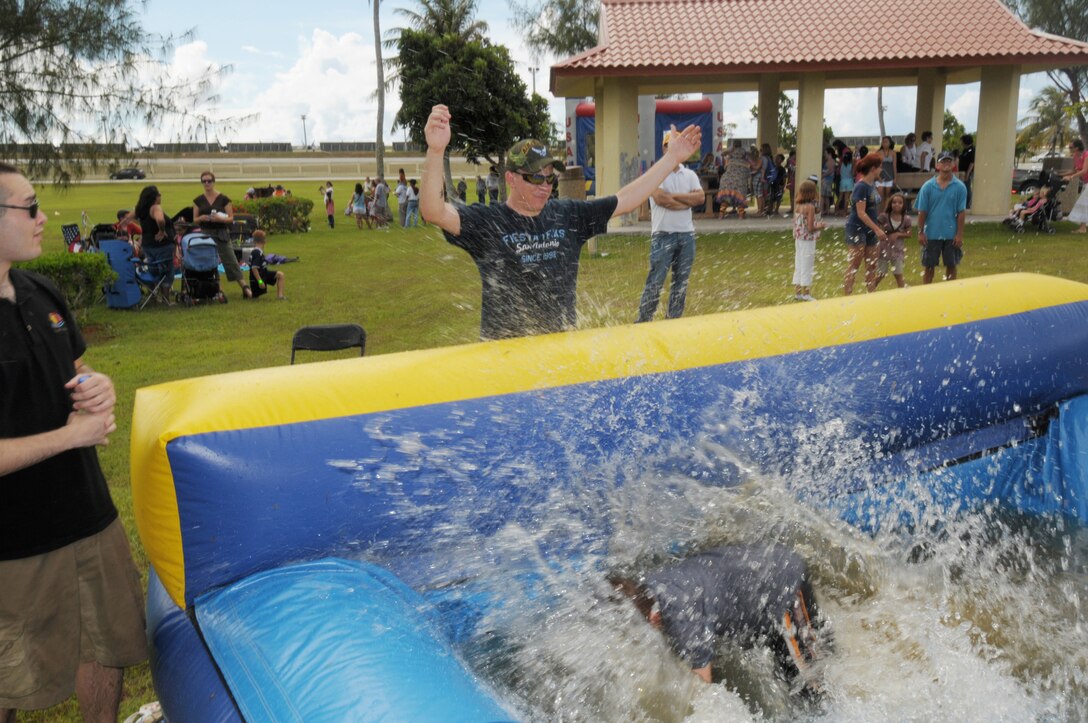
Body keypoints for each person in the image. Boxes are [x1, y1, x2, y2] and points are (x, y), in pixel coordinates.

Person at [0, 162, 147, 721]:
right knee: (8, 678)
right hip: (12, 545)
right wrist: (69, 437)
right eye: (30, 207)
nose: (43, 219)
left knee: (106, 646)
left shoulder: (41, 291)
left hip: (89, 519)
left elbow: (77, 369)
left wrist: (97, 386)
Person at [420, 103, 701, 340]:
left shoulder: (567, 216)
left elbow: (625, 199)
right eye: (534, 177)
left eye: (549, 177)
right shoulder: (488, 222)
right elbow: (434, 211)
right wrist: (435, 151)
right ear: (511, 178)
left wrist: (671, 158)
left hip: (560, 356)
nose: (544, 185)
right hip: (503, 360)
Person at [607, 543, 825, 692]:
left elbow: (704, 696)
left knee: (809, 684)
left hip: (783, 583)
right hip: (758, 571)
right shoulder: (649, 586)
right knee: (795, 663)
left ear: (654, 620)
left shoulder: (683, 618)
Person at [635, 131, 704, 323]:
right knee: (656, 281)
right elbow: (660, 199)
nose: (671, 149)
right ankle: (643, 320)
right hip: (663, 235)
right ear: (664, 148)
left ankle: (673, 321)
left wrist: (673, 197)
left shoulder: (689, 174)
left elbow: (700, 198)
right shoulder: (656, 173)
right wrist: (685, 200)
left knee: (681, 282)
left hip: (686, 236)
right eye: (668, 145)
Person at [193, 171, 251, 299]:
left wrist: (221, 219)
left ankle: (245, 288)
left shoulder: (224, 199)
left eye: (209, 180)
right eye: (204, 181)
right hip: (205, 234)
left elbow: (231, 218)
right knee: (209, 262)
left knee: (231, 260)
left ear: (214, 181)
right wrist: (202, 217)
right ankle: (217, 289)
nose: (207, 183)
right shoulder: (198, 200)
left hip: (221, 233)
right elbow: (195, 220)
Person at [916, 150, 968, 284]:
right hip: (931, 233)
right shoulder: (927, 187)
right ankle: (926, 293)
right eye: (943, 161)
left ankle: (951, 293)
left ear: (953, 164)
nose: (946, 164)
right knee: (929, 266)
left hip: (950, 234)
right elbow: (922, 211)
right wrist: (921, 232)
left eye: (949, 161)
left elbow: (961, 212)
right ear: (937, 166)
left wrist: (959, 234)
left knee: (951, 265)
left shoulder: (960, 187)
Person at [843, 152, 888, 295]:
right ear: (873, 168)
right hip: (857, 229)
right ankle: (847, 297)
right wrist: (877, 230)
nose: (881, 170)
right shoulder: (861, 186)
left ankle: (871, 296)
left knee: (872, 265)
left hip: (871, 229)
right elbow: (861, 213)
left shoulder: (872, 186)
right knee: (854, 264)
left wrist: (878, 225)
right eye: (880, 167)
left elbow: (873, 209)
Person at [131, 185, 176, 305]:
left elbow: (127, 218)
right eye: (159, 194)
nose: (161, 196)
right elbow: (160, 220)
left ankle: (153, 297)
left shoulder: (141, 209)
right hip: (162, 245)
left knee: (153, 270)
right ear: (155, 197)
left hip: (148, 246)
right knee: (166, 271)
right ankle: (165, 300)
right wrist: (161, 230)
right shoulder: (155, 208)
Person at [792, 179, 825, 301]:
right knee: (807, 265)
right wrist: (820, 226)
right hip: (808, 240)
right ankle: (806, 293)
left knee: (799, 264)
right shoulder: (810, 207)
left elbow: (798, 224)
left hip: (799, 239)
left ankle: (798, 292)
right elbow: (810, 227)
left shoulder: (798, 206)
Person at [874, 191, 912, 289]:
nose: (897, 205)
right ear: (890, 204)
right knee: (881, 273)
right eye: (894, 202)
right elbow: (877, 229)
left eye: (900, 203)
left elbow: (909, 234)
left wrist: (898, 234)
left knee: (898, 274)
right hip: (884, 250)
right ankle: (871, 289)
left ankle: (902, 293)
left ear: (904, 205)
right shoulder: (884, 217)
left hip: (897, 250)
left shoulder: (906, 219)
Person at [247, 230, 287, 301]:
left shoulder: (257, 251)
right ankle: (246, 291)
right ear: (264, 241)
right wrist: (260, 281)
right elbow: (254, 268)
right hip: (257, 279)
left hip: (264, 274)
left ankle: (280, 296)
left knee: (280, 275)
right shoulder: (257, 253)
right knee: (254, 297)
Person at [715, 140, 750, 219]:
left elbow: (722, 154)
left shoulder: (730, 157)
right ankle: (741, 215)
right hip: (740, 180)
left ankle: (721, 214)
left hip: (727, 179)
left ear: (733, 145)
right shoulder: (745, 156)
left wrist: (731, 149)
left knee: (726, 198)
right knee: (739, 197)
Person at [1061, 139, 1088, 233]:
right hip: (1086, 182)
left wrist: (1071, 177)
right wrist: (1062, 174)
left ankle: (1083, 228)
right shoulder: (1075, 156)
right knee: (1085, 204)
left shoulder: (1086, 155)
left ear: (1077, 148)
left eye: (1071, 147)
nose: (1069, 149)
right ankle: (1083, 227)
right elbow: (1075, 170)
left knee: (1083, 203)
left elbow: (1084, 170)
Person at [876, 136, 897, 209]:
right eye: (883, 142)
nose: (884, 143)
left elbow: (894, 166)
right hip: (880, 177)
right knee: (880, 196)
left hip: (890, 176)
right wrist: (878, 177)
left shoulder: (893, 153)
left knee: (887, 195)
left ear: (890, 143)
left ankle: (885, 212)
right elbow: (877, 167)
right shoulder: (878, 153)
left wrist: (895, 178)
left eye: (886, 142)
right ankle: (879, 212)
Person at [959, 134, 976, 209]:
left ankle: (967, 205)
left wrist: (968, 173)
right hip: (962, 172)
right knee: (963, 187)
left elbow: (972, 163)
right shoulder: (965, 150)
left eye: (962, 141)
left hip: (968, 172)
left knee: (967, 188)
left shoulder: (972, 150)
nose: (961, 143)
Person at [837, 147, 854, 216]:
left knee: (840, 197)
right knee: (847, 198)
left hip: (842, 181)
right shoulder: (851, 164)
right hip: (849, 181)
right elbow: (852, 173)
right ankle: (845, 212)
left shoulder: (841, 164)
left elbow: (838, 172)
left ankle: (836, 210)